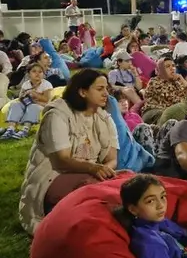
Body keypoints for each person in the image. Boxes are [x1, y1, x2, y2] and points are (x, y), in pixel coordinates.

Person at [18, 69, 119, 235]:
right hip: (53, 175)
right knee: (93, 190)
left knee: (128, 181)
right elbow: (62, 160)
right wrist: (94, 169)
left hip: (90, 172)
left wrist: (105, 170)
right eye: (100, 89)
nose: (106, 93)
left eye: (106, 88)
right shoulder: (58, 114)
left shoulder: (104, 118)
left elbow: (112, 158)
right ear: (82, 91)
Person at [0, 63, 52, 140]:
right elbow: (20, 98)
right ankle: (11, 128)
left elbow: (46, 99)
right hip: (27, 103)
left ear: (43, 74)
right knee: (15, 104)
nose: (37, 74)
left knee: (32, 107)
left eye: (40, 72)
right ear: (29, 74)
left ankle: (25, 130)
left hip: (41, 104)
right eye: (34, 71)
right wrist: (24, 95)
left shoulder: (46, 84)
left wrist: (34, 94)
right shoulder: (26, 84)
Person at [141, 57, 187, 124]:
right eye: (168, 66)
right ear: (160, 69)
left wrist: (183, 81)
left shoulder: (176, 82)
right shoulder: (155, 82)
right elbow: (174, 100)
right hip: (155, 113)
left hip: (171, 111)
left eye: (173, 66)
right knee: (181, 108)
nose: (172, 68)